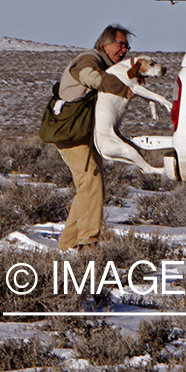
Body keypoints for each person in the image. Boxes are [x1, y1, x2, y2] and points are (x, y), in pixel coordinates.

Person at [54, 25, 134, 251]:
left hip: (83, 134)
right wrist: (120, 88)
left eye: (127, 46)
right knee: (91, 182)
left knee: (88, 186)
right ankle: (88, 244)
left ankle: (67, 246)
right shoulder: (89, 61)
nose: (125, 50)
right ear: (106, 44)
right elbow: (90, 77)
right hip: (72, 134)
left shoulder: (104, 66)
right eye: (121, 44)